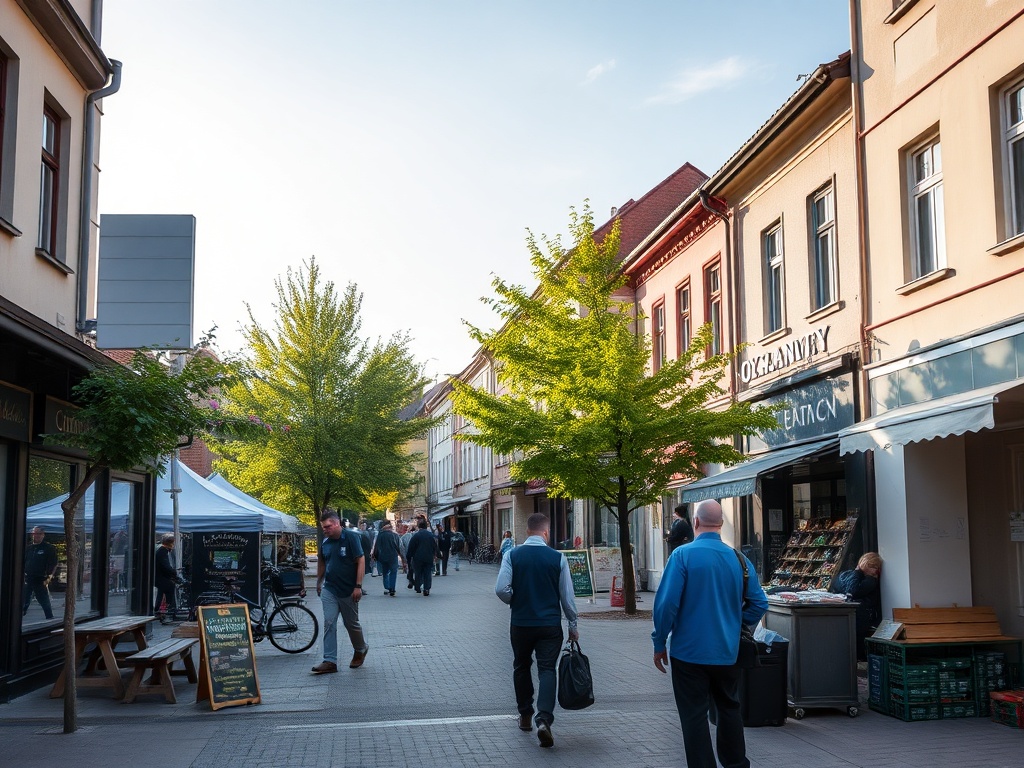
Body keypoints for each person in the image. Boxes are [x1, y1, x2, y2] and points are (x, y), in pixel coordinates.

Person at [652, 499, 768, 768]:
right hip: (727, 652)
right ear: (721, 523)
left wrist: (659, 642)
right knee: (729, 708)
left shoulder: (682, 556)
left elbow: (667, 605)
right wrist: (735, 622)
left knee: (694, 715)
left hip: (688, 653)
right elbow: (760, 603)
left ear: (694, 522)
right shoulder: (739, 558)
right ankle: (736, 763)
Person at [495, 513, 579, 749]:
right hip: (550, 625)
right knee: (547, 670)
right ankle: (544, 719)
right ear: (546, 532)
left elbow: (501, 589)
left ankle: (524, 715)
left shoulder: (512, 555)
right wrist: (572, 624)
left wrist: (516, 600)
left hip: (521, 623)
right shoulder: (557, 558)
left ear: (527, 531)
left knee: (521, 666)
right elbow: (567, 596)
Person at [313, 511, 369, 673]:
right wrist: (319, 581)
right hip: (330, 589)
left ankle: (360, 649)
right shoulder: (325, 542)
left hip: (348, 590)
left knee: (351, 624)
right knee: (329, 622)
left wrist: (358, 586)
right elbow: (322, 562)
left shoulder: (351, 538)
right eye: (324, 527)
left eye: (328, 527)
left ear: (337, 524)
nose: (326, 530)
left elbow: (361, 560)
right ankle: (329, 661)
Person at [833, 552, 883, 661]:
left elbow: (849, 590)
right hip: (860, 616)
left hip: (857, 616)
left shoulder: (850, 575)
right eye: (873, 567)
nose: (875, 570)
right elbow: (852, 590)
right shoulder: (866, 580)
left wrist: (857, 572)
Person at [23, 526, 58, 620]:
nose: (36, 536)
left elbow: (54, 564)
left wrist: (49, 577)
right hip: (28, 577)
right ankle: (21, 614)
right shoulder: (29, 548)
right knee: (24, 598)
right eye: (35, 533)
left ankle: (49, 617)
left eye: (39, 534)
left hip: (41, 578)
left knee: (43, 599)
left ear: (43, 535)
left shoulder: (48, 548)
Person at [406, 519, 438, 595]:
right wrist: (436, 555)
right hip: (428, 557)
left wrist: (408, 557)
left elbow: (411, 547)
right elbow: (435, 546)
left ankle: (418, 587)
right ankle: (426, 589)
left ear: (418, 526)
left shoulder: (416, 536)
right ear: (426, 526)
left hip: (417, 558)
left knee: (418, 573)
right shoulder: (431, 535)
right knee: (427, 573)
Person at [371, 521, 403, 596]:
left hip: (383, 556)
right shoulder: (394, 535)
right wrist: (401, 556)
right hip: (393, 556)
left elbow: (377, 546)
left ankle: (387, 587)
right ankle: (392, 588)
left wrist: (375, 556)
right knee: (393, 572)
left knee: (385, 572)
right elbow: (398, 546)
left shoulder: (380, 535)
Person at [153, 533, 178, 624]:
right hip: (161, 577)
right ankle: (164, 610)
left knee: (162, 592)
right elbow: (165, 566)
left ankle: (160, 610)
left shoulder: (161, 550)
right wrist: (173, 572)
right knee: (169, 588)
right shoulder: (163, 551)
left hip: (160, 576)